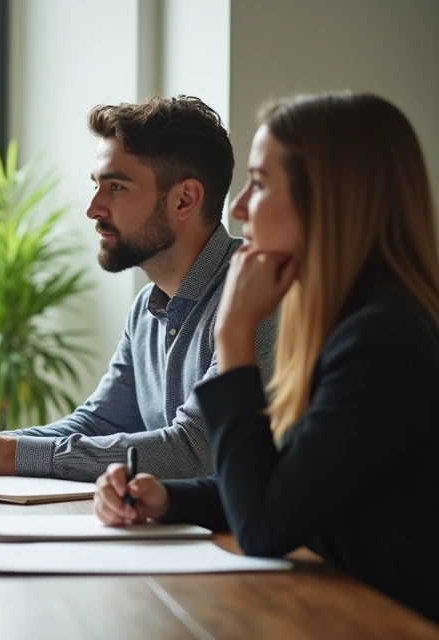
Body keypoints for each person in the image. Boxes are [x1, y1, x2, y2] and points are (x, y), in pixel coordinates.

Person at [93, 91, 439, 622]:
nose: (237, 207)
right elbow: (286, 485)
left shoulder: (383, 338)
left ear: (326, 197)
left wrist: (234, 334)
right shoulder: (349, 319)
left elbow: (263, 527)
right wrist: (167, 500)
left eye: (260, 183)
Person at [0, 95, 277, 482]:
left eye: (116, 187)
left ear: (184, 199)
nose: (93, 208)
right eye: (96, 185)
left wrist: (9, 453)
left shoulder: (257, 297)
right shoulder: (147, 306)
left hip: (247, 542)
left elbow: (196, 452)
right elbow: (98, 423)